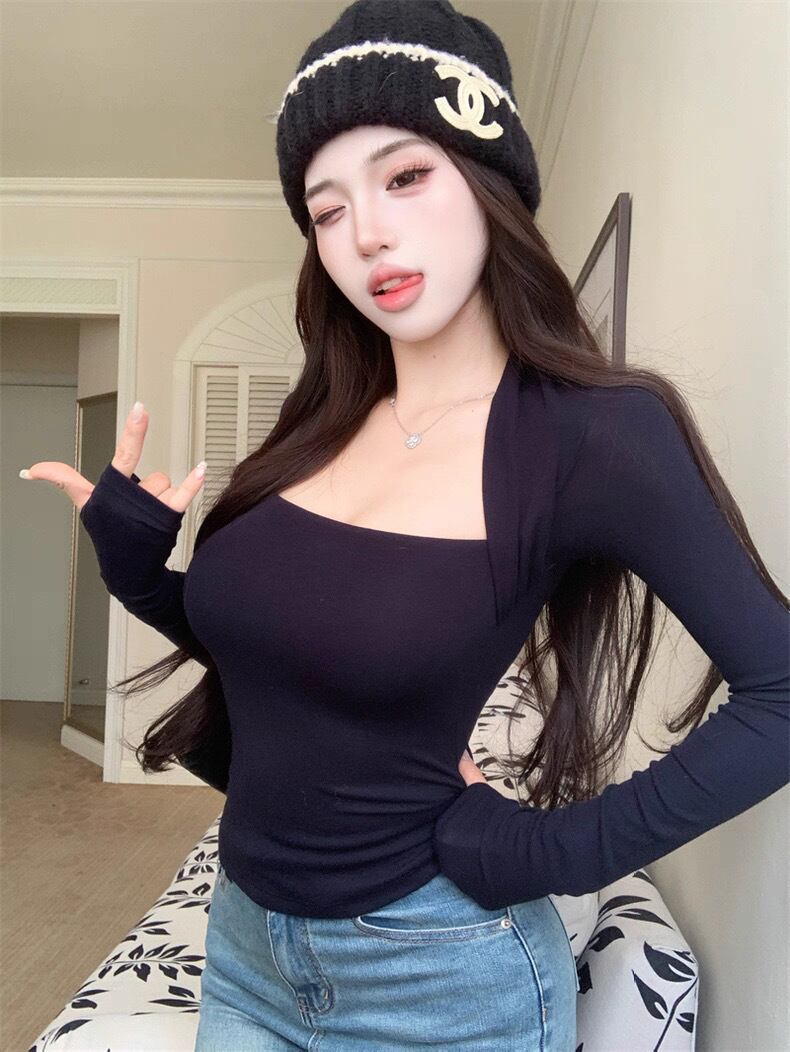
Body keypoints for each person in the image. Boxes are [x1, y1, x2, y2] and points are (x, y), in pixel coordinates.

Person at [20, 1, 789, 1049]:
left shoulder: (594, 433)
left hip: (439, 977)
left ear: (490, 182)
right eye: (326, 209)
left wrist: (551, 852)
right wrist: (144, 575)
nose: (366, 233)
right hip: (245, 950)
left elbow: (778, 689)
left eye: (406, 176)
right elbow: (296, 656)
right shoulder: (324, 415)